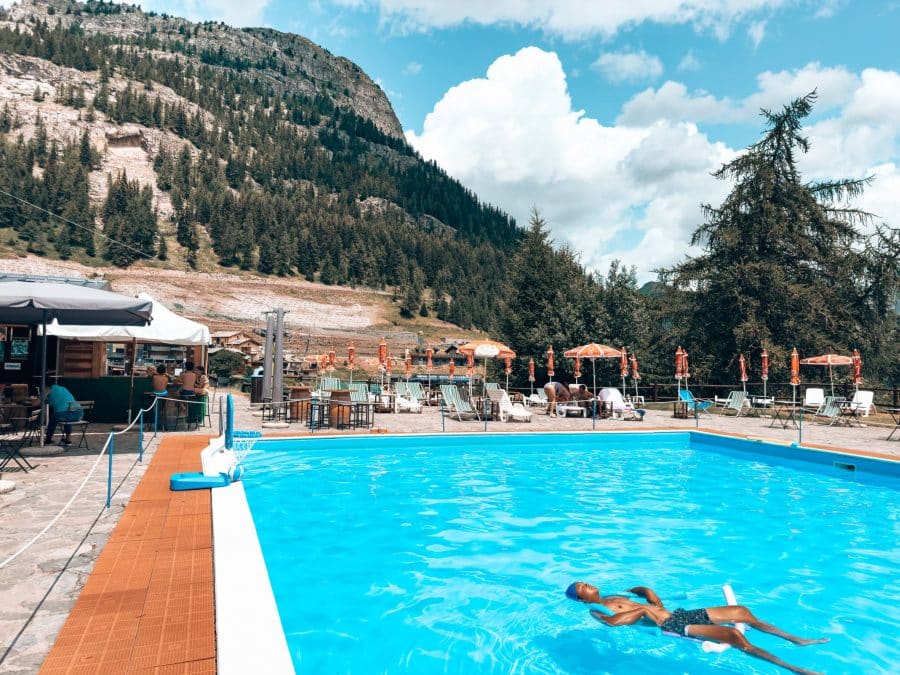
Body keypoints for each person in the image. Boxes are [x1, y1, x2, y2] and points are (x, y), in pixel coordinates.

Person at [565, 581, 827, 675]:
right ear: (581, 599)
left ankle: (794, 639)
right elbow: (613, 624)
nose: (587, 584)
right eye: (582, 587)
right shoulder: (599, 610)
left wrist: (646, 592)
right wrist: (643, 609)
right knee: (735, 636)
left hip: (678, 614)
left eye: (585, 582)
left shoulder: (613, 596)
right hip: (671, 625)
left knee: (742, 612)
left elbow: (656, 605)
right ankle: (795, 670)